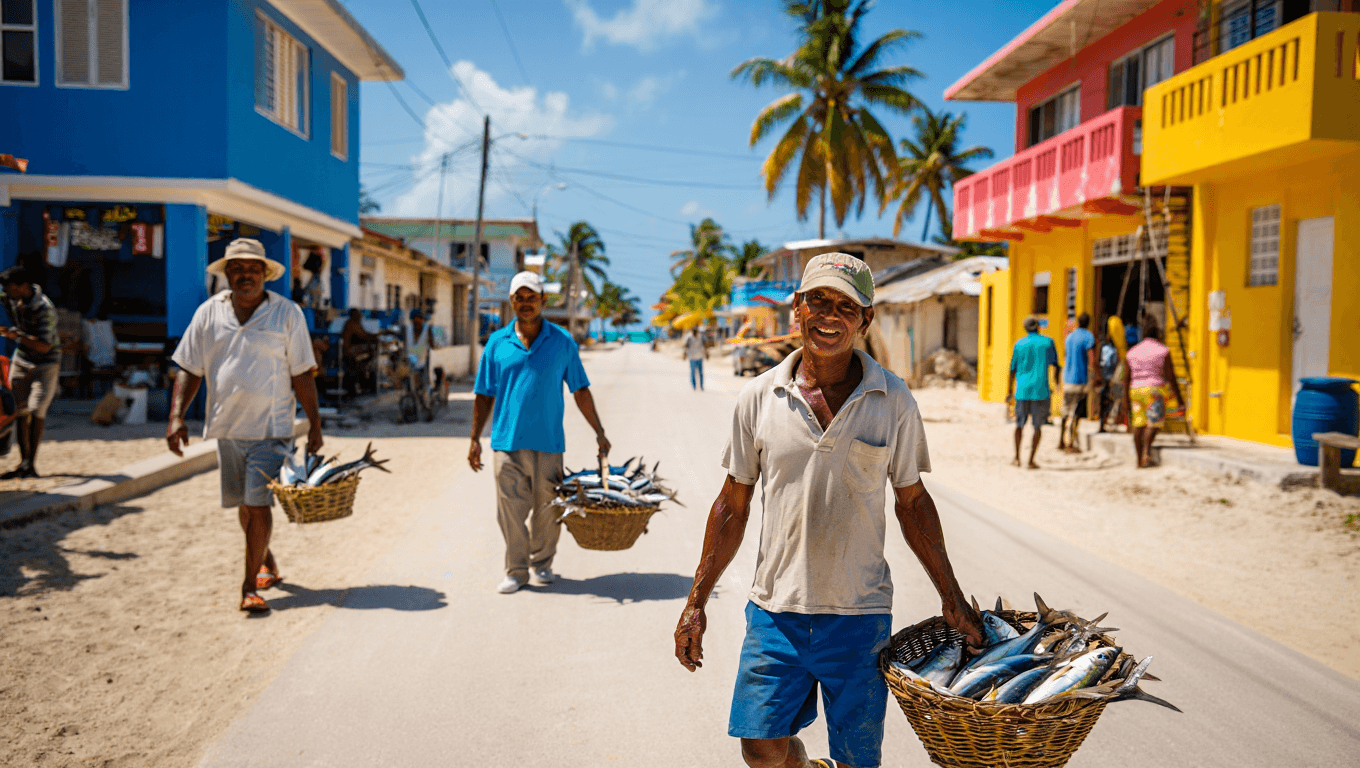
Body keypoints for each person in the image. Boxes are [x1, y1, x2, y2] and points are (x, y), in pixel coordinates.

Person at [673, 253, 984, 768]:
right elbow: (732, 503)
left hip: (859, 617)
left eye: (846, 307)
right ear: (797, 307)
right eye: (818, 300)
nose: (829, 316)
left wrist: (951, 596)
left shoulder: (893, 400)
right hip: (776, 610)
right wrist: (695, 602)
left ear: (866, 319)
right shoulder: (759, 396)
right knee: (761, 749)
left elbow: (913, 504)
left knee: (856, 761)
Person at [166, 238, 323, 613]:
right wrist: (176, 416)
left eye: (253, 269)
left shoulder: (287, 313)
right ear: (227, 273)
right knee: (245, 506)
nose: (245, 275)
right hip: (226, 427)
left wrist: (315, 424)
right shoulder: (209, 312)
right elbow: (189, 367)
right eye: (237, 269)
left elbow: (302, 373)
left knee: (257, 504)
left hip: (272, 428)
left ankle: (249, 587)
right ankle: (266, 560)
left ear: (265, 274)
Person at [469, 271, 611, 595]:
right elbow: (483, 394)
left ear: (543, 300)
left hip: (548, 442)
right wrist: (474, 438)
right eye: (519, 298)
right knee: (510, 511)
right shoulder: (496, 343)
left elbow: (580, 389)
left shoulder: (562, 341)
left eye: (531, 297)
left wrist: (599, 432)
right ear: (511, 302)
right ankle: (516, 570)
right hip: (506, 442)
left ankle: (542, 562)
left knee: (548, 509)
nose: (525, 303)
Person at [0, 266, 61, 479]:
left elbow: (45, 346)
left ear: (22, 286)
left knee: (36, 411)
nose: (5, 293)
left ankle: (31, 463)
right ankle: (23, 462)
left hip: (46, 364)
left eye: (8, 288)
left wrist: (16, 336)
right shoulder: (10, 297)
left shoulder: (44, 308)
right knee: (20, 411)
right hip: (22, 359)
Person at [1125, 318, 1183, 469]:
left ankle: (1139, 460)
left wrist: (1125, 400)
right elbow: (1171, 376)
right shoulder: (1163, 350)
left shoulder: (1132, 352)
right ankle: (1146, 452)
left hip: (1135, 391)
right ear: (1158, 334)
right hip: (1154, 390)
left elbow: (1126, 378)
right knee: (1154, 422)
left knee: (1138, 424)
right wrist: (1179, 399)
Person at [1006, 316, 1060, 469]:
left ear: (1025, 328)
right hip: (1041, 390)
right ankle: (1030, 461)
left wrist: (1009, 391)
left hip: (1022, 391)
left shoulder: (1019, 344)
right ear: (1038, 326)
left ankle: (1017, 458)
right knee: (1037, 427)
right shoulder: (1048, 342)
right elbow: (1056, 365)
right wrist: (1055, 384)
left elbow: (1012, 370)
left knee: (1019, 425)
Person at [1058, 313, 1097, 453]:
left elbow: (1066, 355)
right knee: (1076, 412)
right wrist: (1096, 375)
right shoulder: (1088, 336)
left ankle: (1061, 441)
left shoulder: (1069, 337)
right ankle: (1070, 443)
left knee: (1065, 411)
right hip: (1080, 379)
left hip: (1067, 378)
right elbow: (1091, 358)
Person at [340, 309, 379, 396]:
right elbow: (364, 335)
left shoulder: (353, 323)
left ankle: (365, 382)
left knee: (368, 353)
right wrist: (377, 336)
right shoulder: (352, 324)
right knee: (371, 351)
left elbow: (364, 335)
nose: (361, 316)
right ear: (355, 315)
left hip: (350, 351)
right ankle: (366, 384)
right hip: (349, 352)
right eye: (359, 314)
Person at [1095, 327, 1120, 433]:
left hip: (1109, 378)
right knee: (1105, 401)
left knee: (1108, 401)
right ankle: (1102, 423)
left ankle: (1104, 422)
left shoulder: (1112, 349)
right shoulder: (1107, 349)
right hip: (1106, 378)